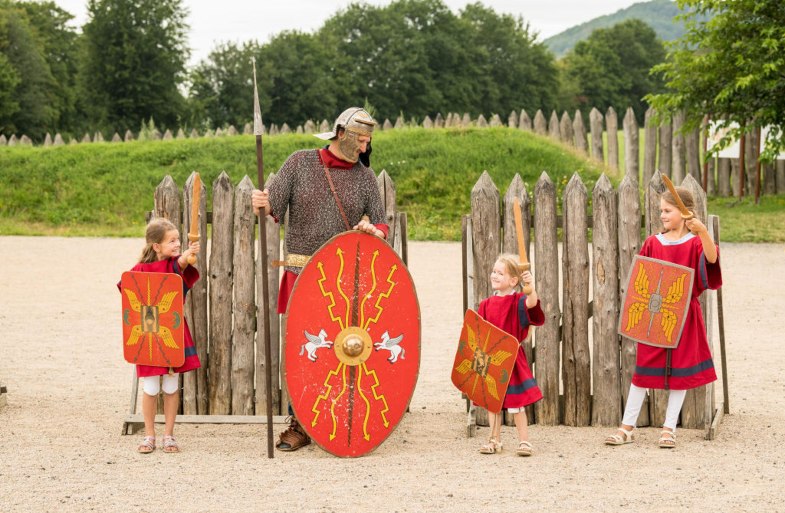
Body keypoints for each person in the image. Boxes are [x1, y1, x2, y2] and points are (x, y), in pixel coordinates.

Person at [252, 107, 389, 451]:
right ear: (342, 133)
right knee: (305, 350)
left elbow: (383, 223)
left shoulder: (364, 178)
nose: (364, 146)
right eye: (360, 138)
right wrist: (261, 203)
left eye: (368, 140)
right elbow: (272, 209)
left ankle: (339, 419)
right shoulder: (300, 163)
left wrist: (373, 229)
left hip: (344, 280)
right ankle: (300, 422)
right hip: (302, 272)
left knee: (342, 349)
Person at [605, 186, 721, 449]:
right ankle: (627, 427)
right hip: (653, 318)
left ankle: (669, 428)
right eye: (661, 211)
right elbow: (642, 280)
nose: (662, 215)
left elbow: (712, 260)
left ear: (683, 212)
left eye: (668, 211)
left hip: (684, 317)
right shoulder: (653, 243)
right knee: (643, 370)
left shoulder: (694, 243)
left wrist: (702, 230)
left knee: (680, 371)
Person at [124, 218, 201, 454]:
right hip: (148, 336)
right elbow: (129, 293)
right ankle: (149, 435)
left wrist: (189, 252)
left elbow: (181, 262)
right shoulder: (138, 271)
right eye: (171, 241)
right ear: (156, 246)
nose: (176, 244)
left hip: (171, 333)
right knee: (150, 388)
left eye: (178, 239)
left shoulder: (174, 266)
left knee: (170, 386)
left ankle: (169, 435)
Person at [476, 254, 545, 457]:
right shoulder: (486, 305)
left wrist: (530, 286)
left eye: (500, 273)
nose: (494, 275)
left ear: (513, 280)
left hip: (511, 359)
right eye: (493, 271)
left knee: (516, 404)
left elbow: (532, 304)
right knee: (493, 403)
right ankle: (494, 439)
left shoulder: (518, 301)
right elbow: (478, 334)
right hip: (490, 359)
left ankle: (524, 442)